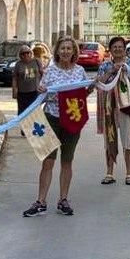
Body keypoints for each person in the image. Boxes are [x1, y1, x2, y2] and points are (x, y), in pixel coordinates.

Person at [22, 36, 91, 217]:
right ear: (58, 51)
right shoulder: (50, 71)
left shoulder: (80, 71)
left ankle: (63, 199)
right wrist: (41, 91)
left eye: (69, 48)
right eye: (63, 48)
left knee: (67, 161)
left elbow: (85, 92)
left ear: (74, 51)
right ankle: (41, 201)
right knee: (48, 161)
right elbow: (42, 95)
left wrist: (95, 85)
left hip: (72, 119)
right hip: (51, 117)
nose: (66, 51)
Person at [94, 35, 130, 185]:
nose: (118, 49)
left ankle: (129, 173)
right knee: (110, 139)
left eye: (121, 47)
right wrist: (111, 71)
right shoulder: (105, 65)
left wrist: (128, 71)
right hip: (110, 106)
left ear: (125, 49)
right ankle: (109, 172)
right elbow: (98, 82)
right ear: (111, 50)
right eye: (115, 47)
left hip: (128, 106)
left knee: (128, 139)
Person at [13, 44, 43, 119]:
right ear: (20, 55)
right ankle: (24, 130)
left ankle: (34, 130)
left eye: (27, 52)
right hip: (22, 94)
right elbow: (14, 78)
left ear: (31, 53)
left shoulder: (36, 61)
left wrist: (42, 87)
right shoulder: (18, 64)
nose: (26, 55)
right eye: (23, 53)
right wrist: (14, 90)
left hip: (35, 92)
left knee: (35, 112)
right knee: (23, 114)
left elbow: (43, 74)